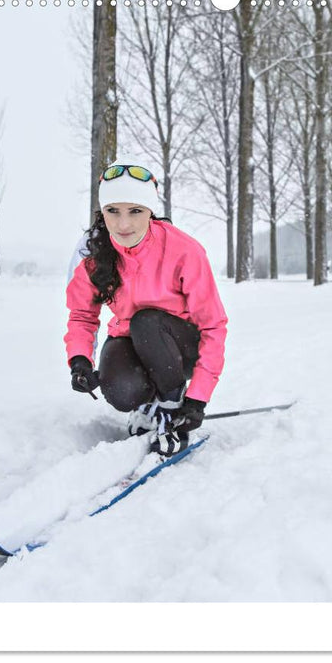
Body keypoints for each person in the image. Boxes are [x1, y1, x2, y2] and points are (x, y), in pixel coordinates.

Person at [64, 161, 228, 457]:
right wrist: (79, 360)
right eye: (113, 211)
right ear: (102, 212)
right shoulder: (94, 252)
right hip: (132, 340)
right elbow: (82, 315)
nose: (123, 224)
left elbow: (213, 326)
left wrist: (197, 399)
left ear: (150, 210)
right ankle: (147, 406)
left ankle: (170, 406)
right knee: (120, 389)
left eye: (135, 211)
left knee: (145, 322)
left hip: (181, 346)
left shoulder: (184, 250)